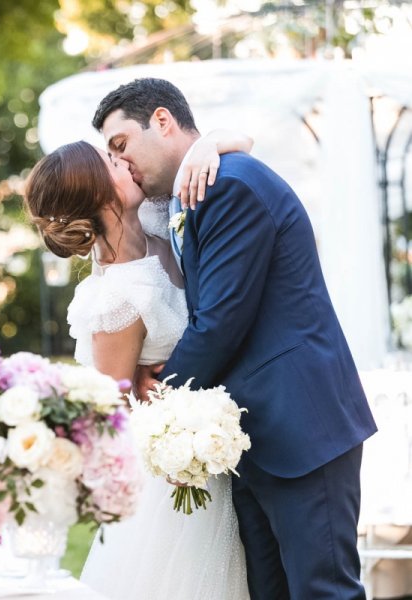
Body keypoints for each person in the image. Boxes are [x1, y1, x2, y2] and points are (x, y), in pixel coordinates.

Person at [93, 78, 377, 599]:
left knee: (322, 591)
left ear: (161, 120)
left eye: (121, 145)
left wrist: (160, 399)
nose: (121, 162)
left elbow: (219, 322)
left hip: (302, 428)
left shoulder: (229, 185)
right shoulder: (188, 192)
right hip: (252, 441)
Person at [24, 131, 253, 599]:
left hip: (214, 442)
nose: (125, 161)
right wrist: (159, 400)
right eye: (111, 161)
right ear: (96, 194)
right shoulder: (116, 298)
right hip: (176, 474)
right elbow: (111, 415)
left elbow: (244, 140)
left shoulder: (154, 218)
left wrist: (207, 145)